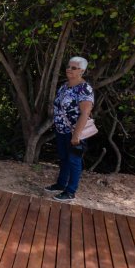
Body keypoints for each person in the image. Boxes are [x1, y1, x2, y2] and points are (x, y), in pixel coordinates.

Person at [44, 56, 94, 202]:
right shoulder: (65, 86)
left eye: (74, 68)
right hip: (61, 130)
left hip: (75, 132)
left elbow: (85, 113)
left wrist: (76, 135)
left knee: (74, 160)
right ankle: (61, 184)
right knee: (64, 158)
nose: (69, 70)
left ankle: (70, 191)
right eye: (68, 67)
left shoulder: (84, 89)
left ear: (82, 71)